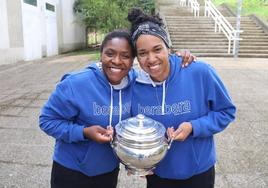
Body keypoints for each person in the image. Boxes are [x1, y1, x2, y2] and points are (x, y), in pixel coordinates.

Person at [39, 29, 195, 188]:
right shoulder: (76, 84)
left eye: (125, 56)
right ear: (101, 55)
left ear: (133, 60)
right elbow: (47, 121)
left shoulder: (134, 83)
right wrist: (83, 132)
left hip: (108, 171)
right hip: (72, 171)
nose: (117, 61)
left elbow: (162, 68)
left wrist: (180, 57)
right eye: (110, 54)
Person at [128, 8, 236, 188]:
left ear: (168, 47)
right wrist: (136, 161)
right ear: (136, 56)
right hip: (158, 174)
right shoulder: (134, 84)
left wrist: (193, 127)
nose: (151, 58)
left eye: (157, 49)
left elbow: (226, 111)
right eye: (143, 53)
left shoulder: (199, 72)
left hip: (198, 171)